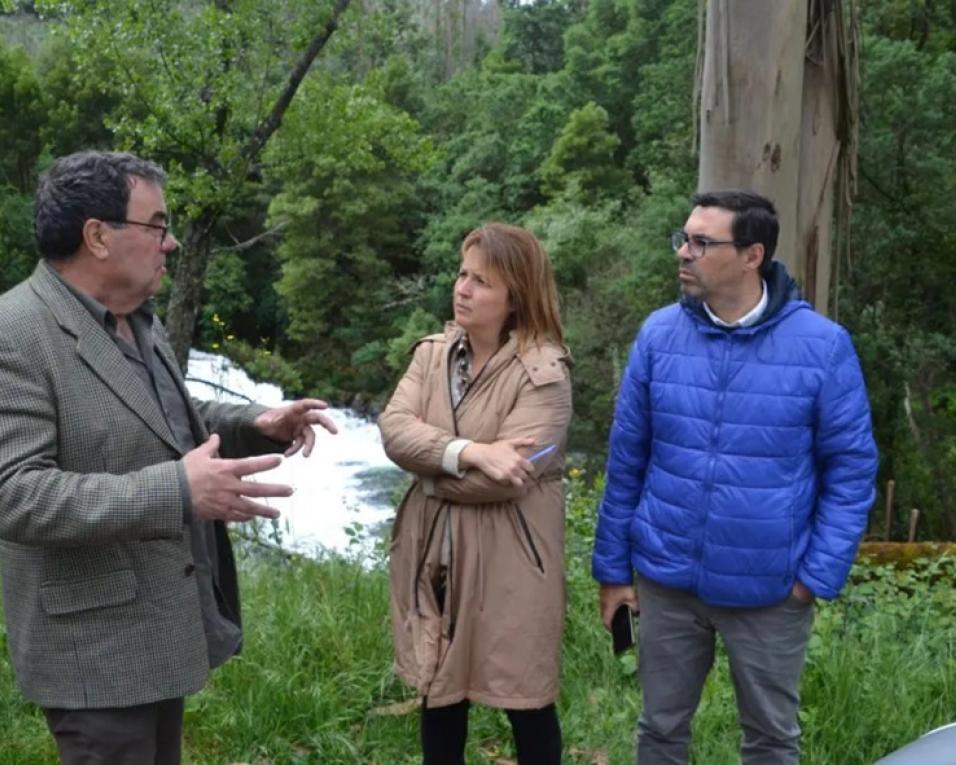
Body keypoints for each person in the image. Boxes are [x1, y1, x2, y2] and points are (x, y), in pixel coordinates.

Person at [0, 150, 338, 765]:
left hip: (155, 635)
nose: (172, 242)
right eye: (157, 224)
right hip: (93, 655)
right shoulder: (14, 333)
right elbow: (15, 494)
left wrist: (254, 425)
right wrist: (177, 491)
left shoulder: (136, 320)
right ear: (98, 236)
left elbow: (158, 421)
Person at [592, 190, 878, 764]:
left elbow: (851, 471)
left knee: (772, 739)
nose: (684, 253)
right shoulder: (658, 335)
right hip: (666, 579)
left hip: (771, 590)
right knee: (660, 730)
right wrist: (613, 571)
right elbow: (627, 461)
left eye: (702, 242)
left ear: (752, 255)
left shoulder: (822, 347)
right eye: (684, 238)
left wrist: (813, 578)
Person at [379, 223, 572, 764]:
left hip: (514, 560)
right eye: (463, 275)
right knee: (439, 692)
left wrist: (428, 470)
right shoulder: (432, 354)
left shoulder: (546, 373)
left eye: (482, 281)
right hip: (432, 553)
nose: (463, 288)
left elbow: (508, 479)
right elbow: (394, 428)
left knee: (525, 699)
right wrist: (471, 451)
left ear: (516, 297)